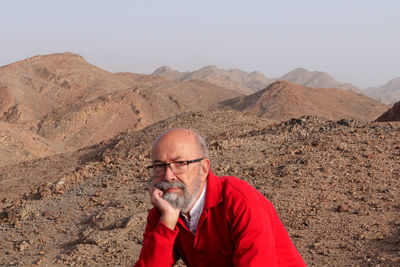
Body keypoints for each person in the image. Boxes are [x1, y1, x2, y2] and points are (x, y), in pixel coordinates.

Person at [135, 128, 306, 267]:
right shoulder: (163, 213)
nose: (168, 175)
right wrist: (167, 222)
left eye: (180, 164)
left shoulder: (239, 202)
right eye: (159, 166)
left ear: (203, 168)